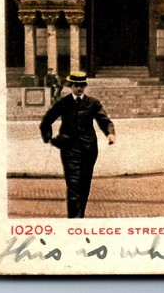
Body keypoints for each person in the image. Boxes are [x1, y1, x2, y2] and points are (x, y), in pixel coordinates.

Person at [39, 71, 116, 218]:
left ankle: (80, 216)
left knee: (85, 185)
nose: (79, 88)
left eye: (82, 85)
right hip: (69, 149)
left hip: (89, 150)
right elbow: (47, 120)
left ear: (85, 86)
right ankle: (74, 219)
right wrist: (48, 137)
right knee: (73, 185)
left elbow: (105, 121)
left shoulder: (93, 103)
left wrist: (110, 133)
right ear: (71, 86)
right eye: (76, 85)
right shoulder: (63, 102)